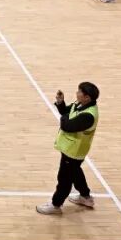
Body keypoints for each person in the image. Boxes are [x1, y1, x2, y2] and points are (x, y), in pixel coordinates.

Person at [37, 82, 101, 215]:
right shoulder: (80, 104)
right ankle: (85, 197)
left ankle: (55, 205)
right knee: (75, 172)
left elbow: (67, 125)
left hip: (74, 150)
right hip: (70, 148)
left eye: (80, 92)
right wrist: (60, 103)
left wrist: (64, 118)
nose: (77, 93)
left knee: (64, 179)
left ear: (87, 97)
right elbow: (66, 112)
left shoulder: (88, 116)